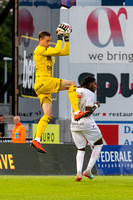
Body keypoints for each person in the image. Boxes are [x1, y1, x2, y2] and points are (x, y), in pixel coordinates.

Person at [30, 23, 90, 153]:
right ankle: (76, 112)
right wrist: (60, 37)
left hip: (41, 87)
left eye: (49, 41)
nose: (48, 43)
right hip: (44, 82)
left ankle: (37, 139)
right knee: (72, 84)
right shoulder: (39, 49)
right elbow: (57, 50)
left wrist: (66, 38)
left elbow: (65, 52)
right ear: (40, 40)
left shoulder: (45, 50)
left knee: (48, 115)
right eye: (47, 41)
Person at [70, 75, 103, 181]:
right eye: (95, 84)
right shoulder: (90, 93)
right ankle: (88, 170)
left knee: (81, 148)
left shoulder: (76, 90)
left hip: (74, 124)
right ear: (89, 84)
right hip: (86, 123)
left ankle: (78, 173)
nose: (96, 86)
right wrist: (96, 106)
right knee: (99, 143)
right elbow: (87, 112)